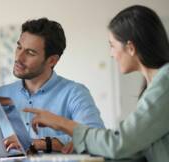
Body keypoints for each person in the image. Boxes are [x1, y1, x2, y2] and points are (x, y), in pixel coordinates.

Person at [24, 5, 169, 162]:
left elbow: (119, 143)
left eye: (112, 45)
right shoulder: (156, 86)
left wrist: (61, 123)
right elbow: (137, 151)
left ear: (131, 47)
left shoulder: (165, 84)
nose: (111, 54)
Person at [0, 18, 104, 153]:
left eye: (30, 53)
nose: (19, 58)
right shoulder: (2, 94)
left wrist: (39, 143)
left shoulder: (75, 93)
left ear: (52, 60)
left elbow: (96, 139)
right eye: (19, 47)